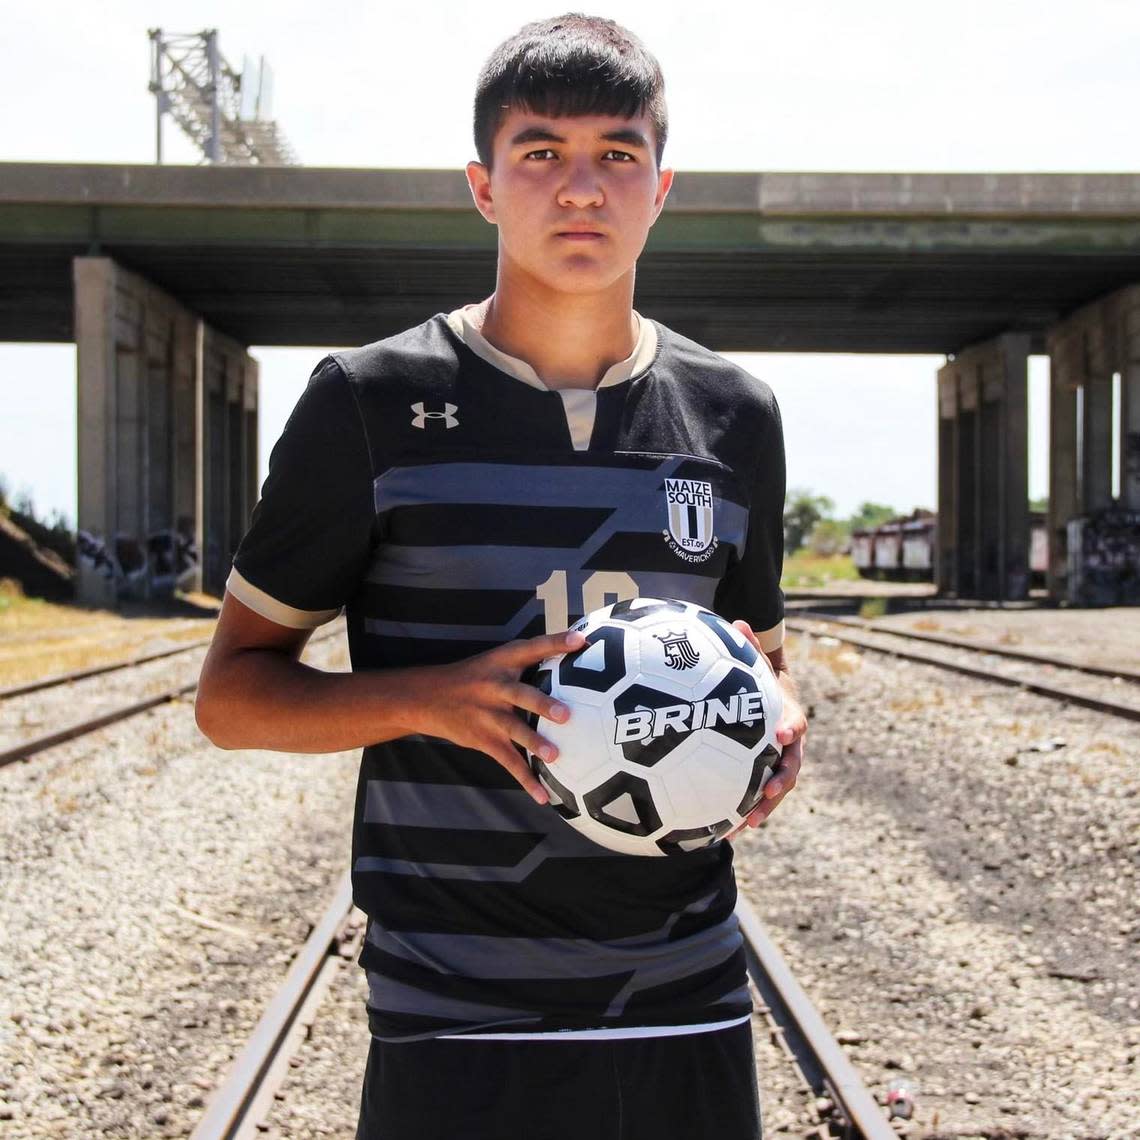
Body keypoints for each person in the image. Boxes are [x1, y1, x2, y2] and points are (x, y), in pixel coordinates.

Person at [195, 13, 807, 1139]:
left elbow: (762, 668)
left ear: (661, 187)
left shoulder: (735, 418)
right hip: (454, 1010)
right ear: (483, 185)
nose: (582, 188)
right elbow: (231, 697)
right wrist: (429, 700)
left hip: (683, 1000)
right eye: (542, 154)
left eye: (617, 155)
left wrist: (776, 727)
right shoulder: (368, 405)